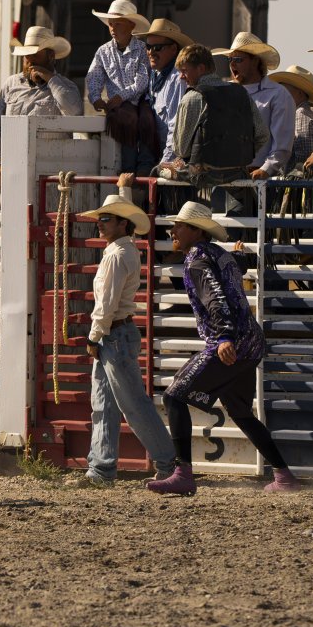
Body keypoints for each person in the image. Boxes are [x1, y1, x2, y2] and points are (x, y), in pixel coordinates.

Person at [147, 202, 301, 495]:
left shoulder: (196, 261)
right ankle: (284, 477)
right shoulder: (220, 254)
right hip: (252, 342)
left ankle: (183, 474)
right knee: (241, 412)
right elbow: (233, 275)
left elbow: (215, 298)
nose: (172, 231)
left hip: (232, 341)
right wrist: (241, 256)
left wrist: (223, 337)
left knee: (174, 397)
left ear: (195, 230)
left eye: (178, 226)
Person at [67, 182, 176, 486]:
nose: (100, 224)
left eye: (106, 220)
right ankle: (102, 468)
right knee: (106, 402)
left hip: (113, 334)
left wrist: (93, 335)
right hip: (117, 333)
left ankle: (168, 464)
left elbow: (106, 304)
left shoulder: (116, 255)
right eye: (100, 219)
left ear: (121, 224)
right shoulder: (124, 250)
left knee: (130, 404)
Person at [166, 44, 268, 213]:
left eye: (184, 71)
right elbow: (262, 134)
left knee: (159, 169)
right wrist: (237, 155)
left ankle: (171, 222)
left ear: (201, 68)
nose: (181, 77)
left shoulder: (192, 97)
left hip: (204, 175)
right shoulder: (241, 92)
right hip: (238, 172)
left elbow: (181, 149)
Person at [0, 26, 82, 191]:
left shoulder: (67, 87)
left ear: (51, 56)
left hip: (52, 174)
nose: (29, 60)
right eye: (27, 55)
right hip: (14, 171)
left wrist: (49, 78)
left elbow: (74, 113)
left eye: (35, 55)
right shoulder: (11, 84)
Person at [85, 0, 155, 176]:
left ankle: (144, 167)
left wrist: (120, 96)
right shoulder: (103, 51)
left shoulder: (142, 49)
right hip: (120, 105)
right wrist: (95, 98)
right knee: (127, 118)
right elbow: (94, 76)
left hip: (141, 99)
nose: (112, 28)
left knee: (148, 118)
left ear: (131, 26)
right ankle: (130, 168)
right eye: (110, 24)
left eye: (117, 24)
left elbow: (142, 81)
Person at [213, 32, 294, 181]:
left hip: (259, 179)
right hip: (223, 177)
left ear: (255, 61)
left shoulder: (278, 94)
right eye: (230, 59)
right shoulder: (224, 92)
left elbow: (282, 145)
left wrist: (266, 170)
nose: (232, 64)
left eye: (238, 59)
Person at [133, 19, 193, 168]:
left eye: (158, 47)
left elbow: (176, 126)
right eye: (149, 46)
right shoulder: (154, 75)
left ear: (173, 49)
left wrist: (164, 164)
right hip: (160, 154)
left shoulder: (178, 78)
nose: (151, 52)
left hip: (177, 161)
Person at [268, 65, 313, 174]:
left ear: (299, 93)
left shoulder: (300, 114)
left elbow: (304, 155)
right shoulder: (299, 113)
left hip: (298, 182)